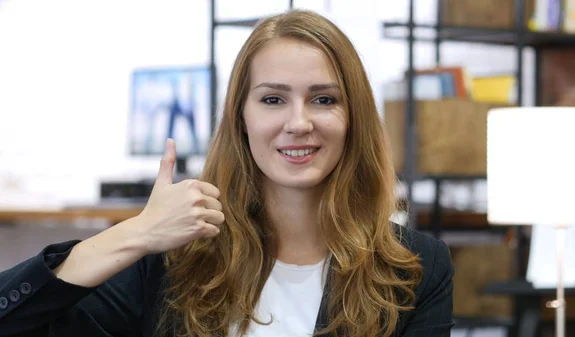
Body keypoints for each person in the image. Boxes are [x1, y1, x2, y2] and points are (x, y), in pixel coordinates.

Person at [0, 9, 454, 337]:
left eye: (324, 99)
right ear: (241, 117)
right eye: (273, 99)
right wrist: (136, 234)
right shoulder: (174, 260)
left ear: (354, 117)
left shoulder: (418, 269)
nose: (298, 122)